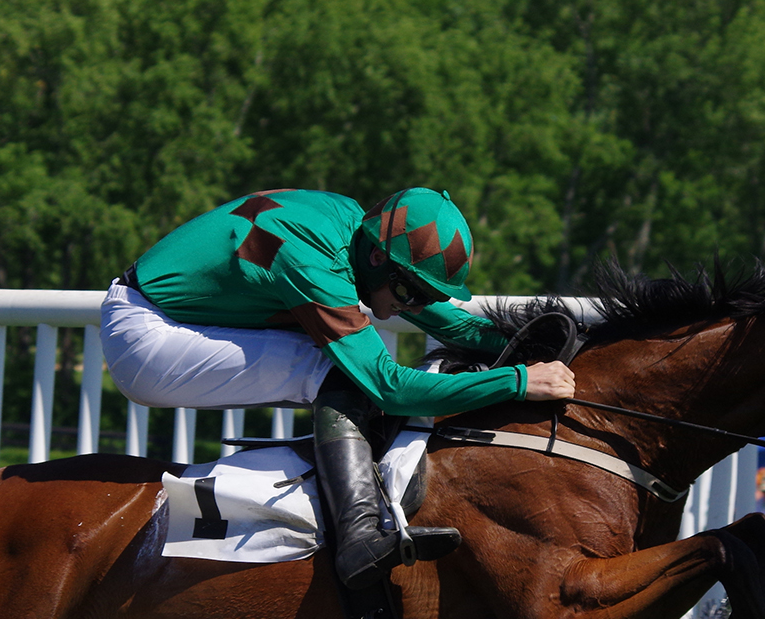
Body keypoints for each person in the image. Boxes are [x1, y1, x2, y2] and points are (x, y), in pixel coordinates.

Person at [100, 187, 576, 588]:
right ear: (376, 257)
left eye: (424, 295)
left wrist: (522, 339)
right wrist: (517, 381)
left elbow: (446, 320)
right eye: (408, 292)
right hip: (147, 336)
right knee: (339, 372)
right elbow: (390, 387)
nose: (403, 309)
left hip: (172, 316)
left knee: (343, 366)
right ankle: (358, 538)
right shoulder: (313, 260)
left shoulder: (359, 232)